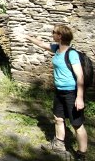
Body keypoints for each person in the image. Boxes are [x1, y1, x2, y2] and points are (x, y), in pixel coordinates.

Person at [26, 25, 87, 161]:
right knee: (58, 118)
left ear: (60, 36)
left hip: (72, 92)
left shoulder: (71, 54)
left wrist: (80, 97)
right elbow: (41, 44)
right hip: (59, 92)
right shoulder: (56, 49)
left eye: (54, 32)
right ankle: (59, 145)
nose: (52, 34)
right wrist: (28, 37)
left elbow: (80, 76)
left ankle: (81, 154)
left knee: (77, 124)